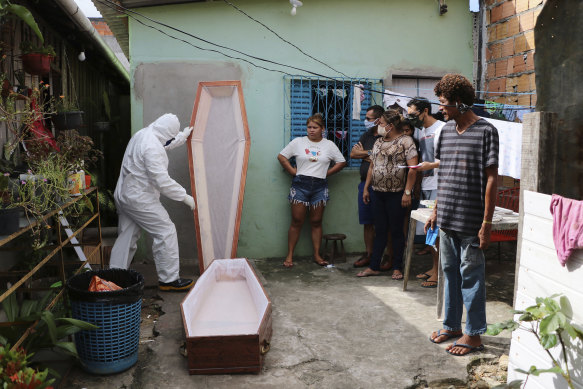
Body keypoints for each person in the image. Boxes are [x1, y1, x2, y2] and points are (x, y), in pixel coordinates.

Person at [426, 74, 498, 356]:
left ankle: (474, 334)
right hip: (447, 219)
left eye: (443, 103)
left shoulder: (486, 131)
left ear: (458, 101)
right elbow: (443, 172)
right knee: (449, 275)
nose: (440, 108)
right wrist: (436, 210)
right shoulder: (443, 132)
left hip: (471, 221)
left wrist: (487, 223)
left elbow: (492, 179)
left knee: (472, 278)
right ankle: (452, 325)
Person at [110, 113, 196, 292]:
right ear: (166, 132)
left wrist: (182, 136)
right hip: (139, 199)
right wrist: (184, 196)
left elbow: (166, 143)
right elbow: (162, 181)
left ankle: (114, 279)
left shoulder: (145, 133)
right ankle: (169, 280)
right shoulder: (152, 147)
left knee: (127, 237)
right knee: (165, 231)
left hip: (125, 194)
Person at [278, 113, 347, 268]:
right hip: (300, 185)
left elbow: (342, 162)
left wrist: (326, 173)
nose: (311, 130)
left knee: (316, 222)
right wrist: (291, 170)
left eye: (315, 127)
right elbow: (282, 157)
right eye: (309, 127)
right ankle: (289, 256)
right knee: (297, 221)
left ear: (322, 129)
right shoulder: (298, 142)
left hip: (319, 187)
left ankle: (316, 255)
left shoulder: (329, 145)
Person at [357, 110, 418, 279]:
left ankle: (397, 266)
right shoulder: (377, 142)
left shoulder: (406, 141)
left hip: (397, 194)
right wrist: (366, 188)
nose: (378, 126)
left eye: (381, 123)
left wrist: (407, 192)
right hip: (377, 193)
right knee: (380, 230)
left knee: (397, 231)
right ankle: (374, 266)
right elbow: (372, 167)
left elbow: (413, 169)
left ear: (390, 126)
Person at [406, 97, 445, 288]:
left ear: (425, 111)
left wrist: (431, 165)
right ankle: (433, 267)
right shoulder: (421, 131)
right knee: (430, 231)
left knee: (437, 231)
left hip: (440, 185)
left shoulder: (442, 129)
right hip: (426, 185)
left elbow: (450, 159)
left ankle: (439, 272)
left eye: (413, 114)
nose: (411, 118)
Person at [350, 105, 384, 268]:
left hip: (381, 185)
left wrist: (365, 153)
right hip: (364, 184)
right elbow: (353, 153)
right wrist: (370, 154)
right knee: (367, 222)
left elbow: (382, 156)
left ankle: (383, 256)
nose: (366, 121)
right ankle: (369, 254)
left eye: (369, 119)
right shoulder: (367, 134)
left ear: (378, 120)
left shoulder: (386, 136)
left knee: (383, 222)